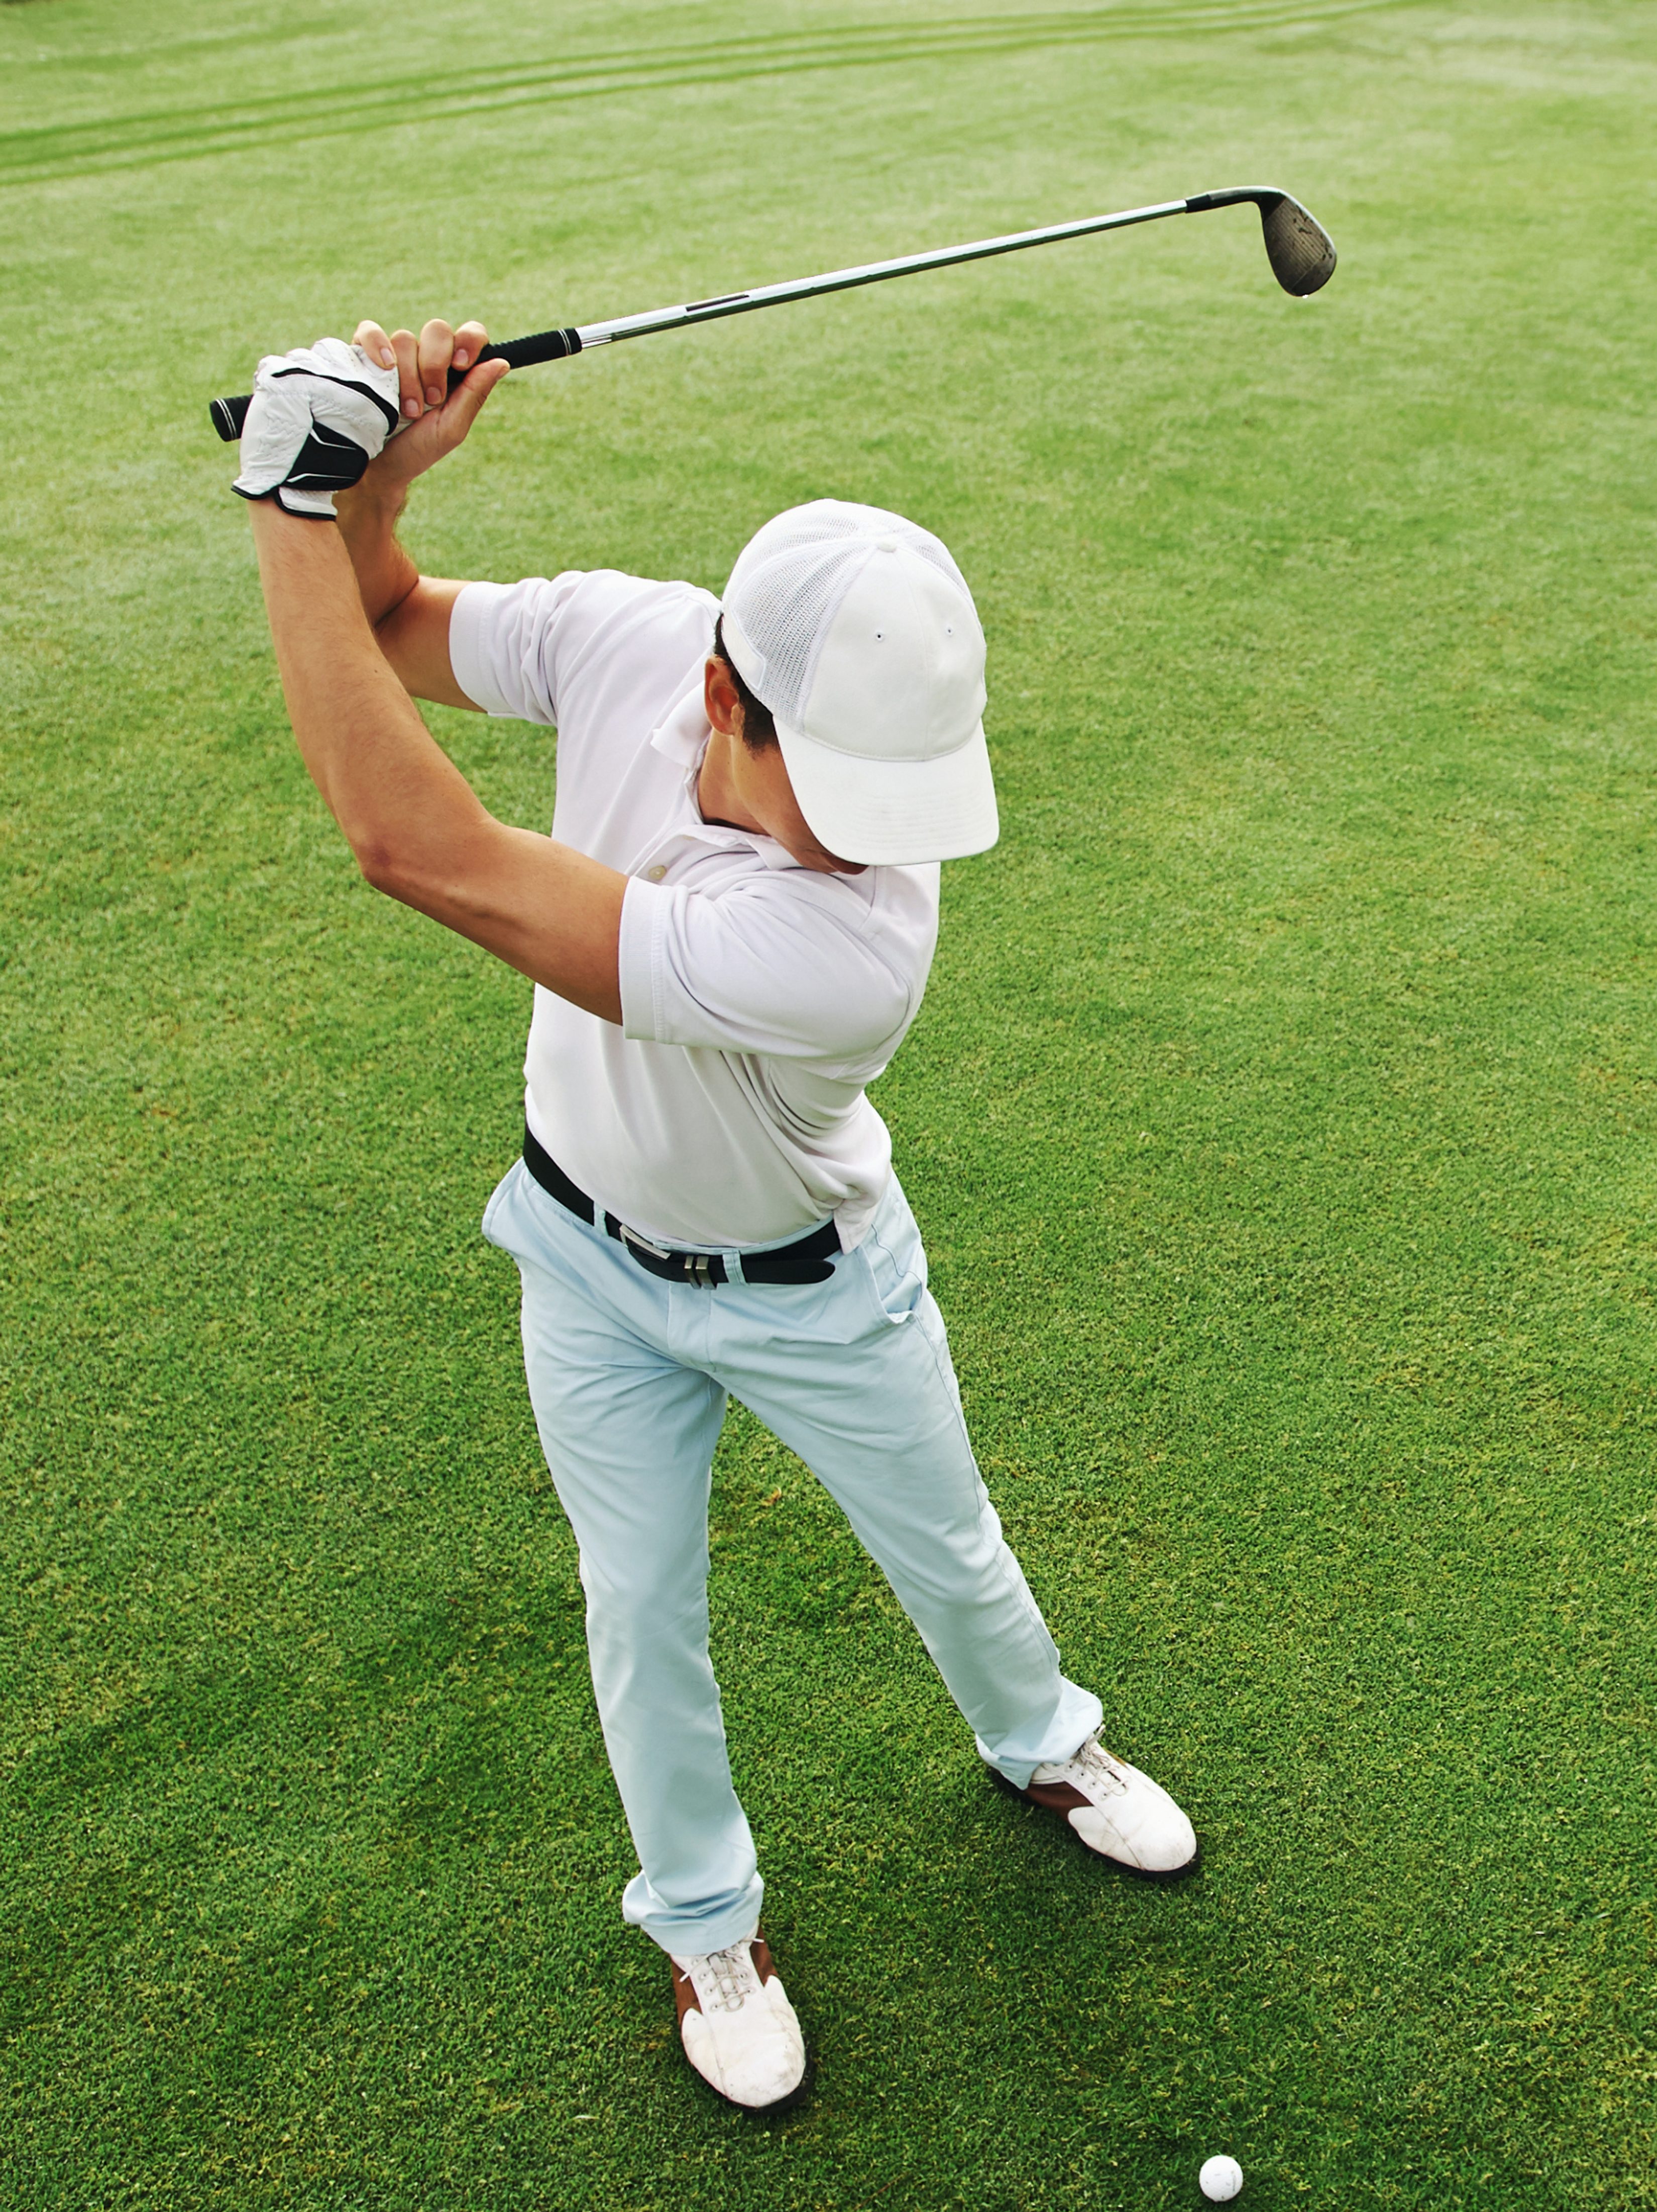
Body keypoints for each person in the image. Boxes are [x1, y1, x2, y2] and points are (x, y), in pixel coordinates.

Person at [233, 316, 1197, 2113]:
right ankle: (705, 1921)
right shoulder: (630, 634)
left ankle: (1043, 1746)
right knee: (640, 1606)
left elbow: (416, 851)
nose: (874, 837)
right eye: (847, 791)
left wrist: (297, 500)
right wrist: (373, 496)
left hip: (817, 1289)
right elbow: (389, 628)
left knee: (956, 1552)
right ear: (724, 694)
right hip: (587, 1263)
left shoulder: (851, 943)